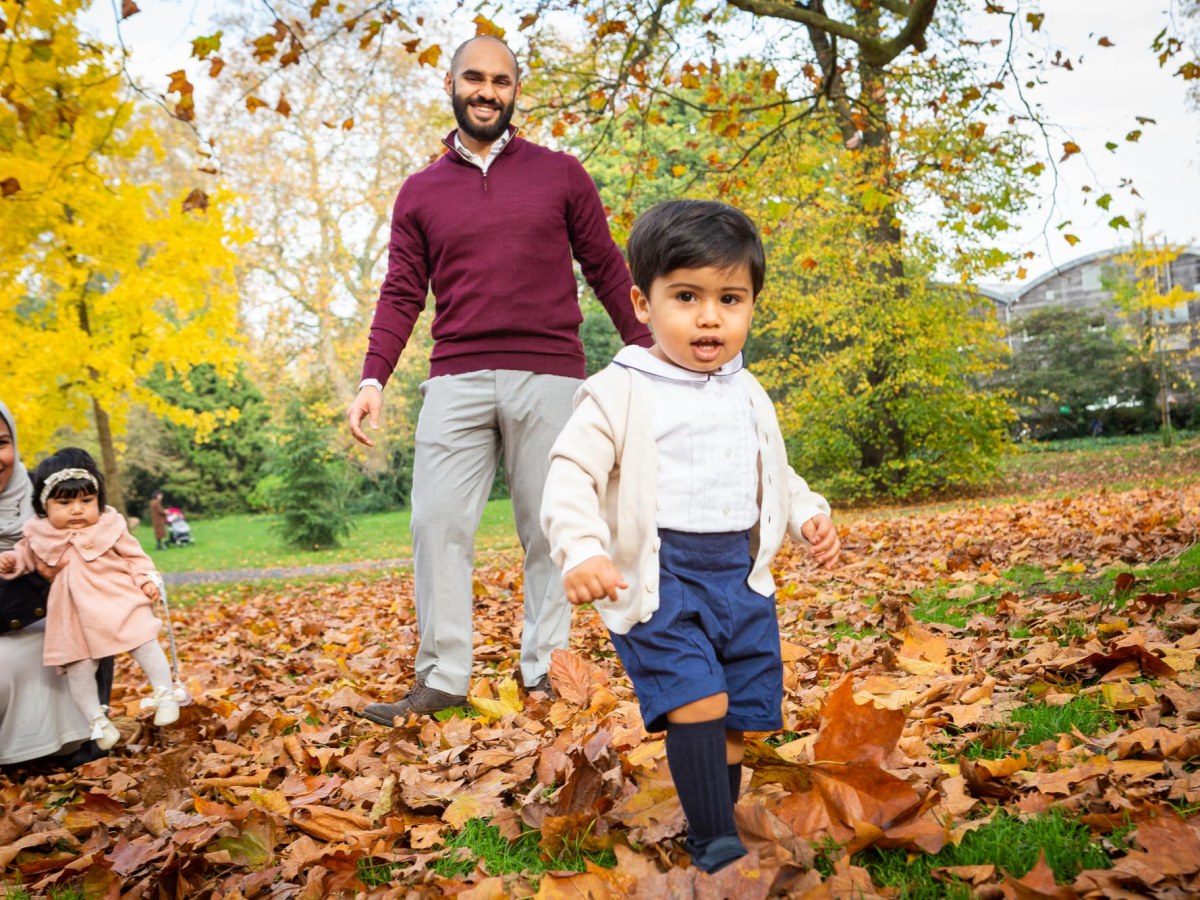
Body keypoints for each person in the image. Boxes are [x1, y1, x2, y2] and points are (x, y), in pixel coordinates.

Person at [348, 34, 652, 722]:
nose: (487, 91)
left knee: (552, 527)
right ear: (452, 85)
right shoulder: (419, 192)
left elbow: (607, 269)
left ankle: (545, 671)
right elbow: (402, 292)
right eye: (475, 78)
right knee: (435, 524)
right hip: (454, 377)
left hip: (549, 374)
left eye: (501, 81)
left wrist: (649, 354)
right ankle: (443, 679)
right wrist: (373, 379)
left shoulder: (561, 174)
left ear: (515, 91)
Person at [540, 200, 841, 874]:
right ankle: (714, 842)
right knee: (695, 698)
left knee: (731, 712)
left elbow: (772, 467)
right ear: (642, 304)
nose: (710, 317)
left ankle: (716, 821)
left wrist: (806, 513)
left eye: (730, 299)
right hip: (660, 575)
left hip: (739, 573)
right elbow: (570, 472)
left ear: (752, 305)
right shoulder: (621, 390)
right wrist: (582, 549)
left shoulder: (746, 390)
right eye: (686, 297)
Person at [0, 448, 180, 751]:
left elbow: (136, 558)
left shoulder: (110, 526)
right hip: (73, 614)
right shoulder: (38, 535)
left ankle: (165, 695)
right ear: (44, 506)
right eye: (64, 503)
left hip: (119, 600)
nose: (77, 510)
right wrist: (11, 562)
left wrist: (146, 580)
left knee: (144, 642)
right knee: (79, 667)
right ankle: (97, 721)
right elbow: (24, 557)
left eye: (86, 501)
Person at [0, 403, 112, 767]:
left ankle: (75, 740)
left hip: (63, 627)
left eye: (1, 443)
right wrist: (39, 580)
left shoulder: (53, 491)